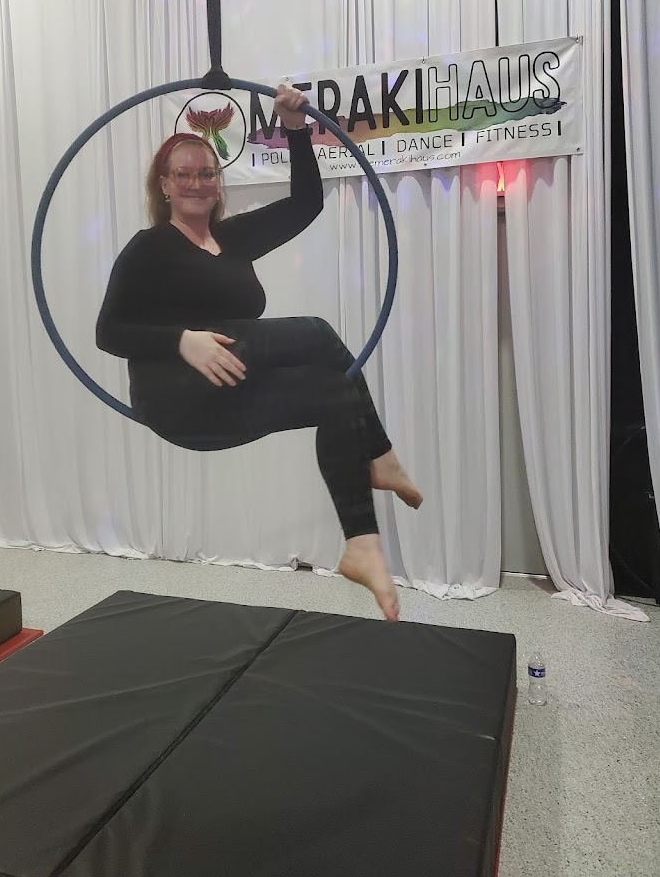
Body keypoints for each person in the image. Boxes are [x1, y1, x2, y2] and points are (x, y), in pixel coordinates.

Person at [96, 84, 422, 621]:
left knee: (338, 393)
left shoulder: (234, 239)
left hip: (231, 399)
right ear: (165, 185)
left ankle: (361, 545)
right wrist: (181, 340)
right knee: (318, 333)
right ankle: (381, 455)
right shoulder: (148, 248)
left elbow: (305, 204)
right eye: (184, 174)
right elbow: (108, 332)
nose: (197, 183)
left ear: (218, 182)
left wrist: (295, 130)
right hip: (176, 398)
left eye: (207, 173)